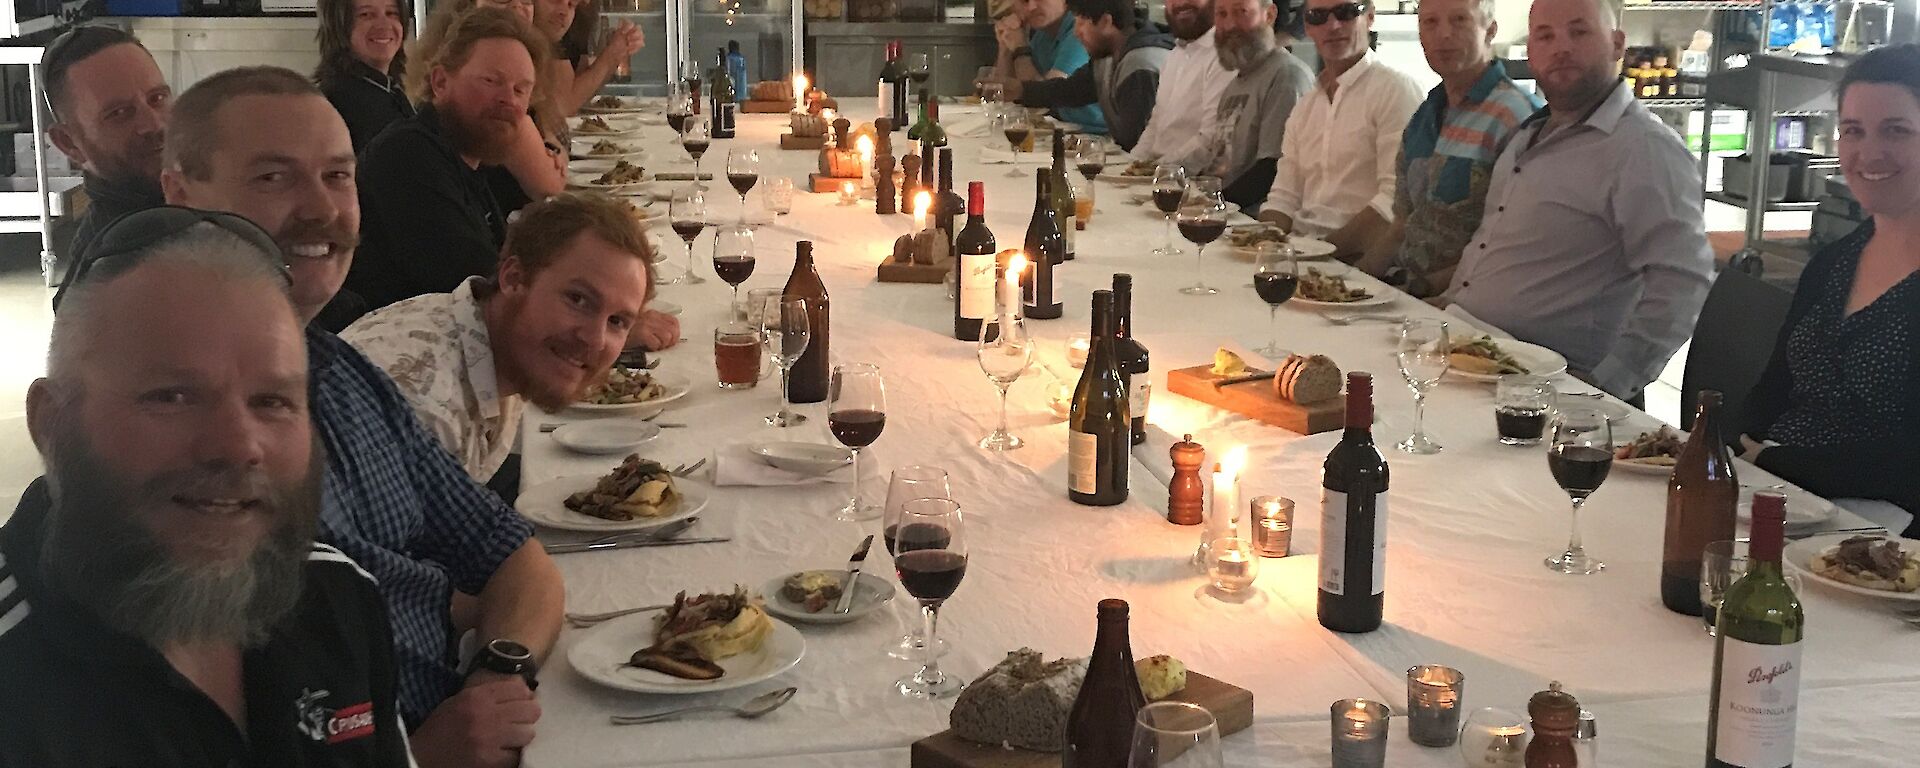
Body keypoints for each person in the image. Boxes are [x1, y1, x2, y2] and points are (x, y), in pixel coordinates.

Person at [160, 66, 562, 768]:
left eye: (338, 176)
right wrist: (415, 755)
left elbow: (518, 563)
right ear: (179, 193)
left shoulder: (345, 376)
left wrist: (499, 669)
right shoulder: (179, 450)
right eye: (274, 178)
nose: (320, 209)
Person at [2, 210, 410, 767]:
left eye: (272, 401)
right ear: (51, 425)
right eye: (171, 396)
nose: (238, 445)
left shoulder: (339, 597)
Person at [1439, 0, 1712, 402]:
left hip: (1549, 385)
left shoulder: (1643, 149)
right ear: (1530, 52)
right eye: (1545, 36)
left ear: (1617, 44)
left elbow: (1682, 282)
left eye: (1579, 32)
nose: (1561, 47)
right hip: (1473, 355)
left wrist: (1609, 384)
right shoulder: (1530, 134)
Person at [341, 192, 655, 484]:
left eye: (617, 321)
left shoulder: (500, 344)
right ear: (514, 279)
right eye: (578, 299)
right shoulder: (429, 411)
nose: (596, 340)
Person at [1740, 44, 1920, 536]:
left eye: (1896, 131)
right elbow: (1772, 389)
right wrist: (1724, 447)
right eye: (1853, 131)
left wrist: (1785, 464)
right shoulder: (1834, 262)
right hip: (1779, 501)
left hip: (1881, 537)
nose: (1869, 152)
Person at [351, 7, 544, 313]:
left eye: (521, 89)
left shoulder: (466, 157)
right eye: (491, 81)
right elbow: (485, 296)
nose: (509, 100)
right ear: (440, 82)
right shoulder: (408, 158)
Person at [1354, 0, 1539, 297]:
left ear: (1489, 30)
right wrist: (1351, 283)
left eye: (1459, 20)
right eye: (1430, 23)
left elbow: (1512, 249)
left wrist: (1418, 291)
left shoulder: (1518, 118)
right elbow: (1401, 226)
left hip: (1463, 307)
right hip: (1403, 292)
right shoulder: (1424, 115)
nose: (1443, 34)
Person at [1259, 0, 1423, 257]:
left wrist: (1323, 255)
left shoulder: (1395, 91)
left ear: (1369, 17)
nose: (1332, 25)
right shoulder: (1306, 106)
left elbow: (1394, 201)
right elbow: (1283, 198)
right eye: (1318, 16)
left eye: (1346, 12)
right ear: (1307, 27)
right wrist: (1261, 247)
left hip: (1358, 263)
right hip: (1300, 254)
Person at [410, 0, 569, 217]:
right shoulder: (419, 157)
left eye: (526, 1)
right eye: (490, 80)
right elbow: (549, 185)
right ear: (440, 81)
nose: (517, 8)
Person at [41, 25, 170, 265]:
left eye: (157, 98)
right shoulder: (112, 266)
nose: (154, 124)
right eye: (119, 113)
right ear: (68, 143)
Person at [1168, 0, 1312, 211]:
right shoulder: (1235, 84)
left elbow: (1273, 169)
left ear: (1269, 15)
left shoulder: (1285, 76)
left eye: (1241, 12)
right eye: (1222, 14)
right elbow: (1218, 161)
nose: (1229, 25)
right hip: (1222, 212)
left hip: (1251, 223)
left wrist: (1210, 207)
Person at [1001, 0, 1173, 152]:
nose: (1076, 32)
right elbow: (1071, 90)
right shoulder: (1108, 55)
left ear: (1106, 22)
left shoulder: (1140, 63)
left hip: (1164, 175)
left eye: (1082, 22)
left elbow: (1137, 143)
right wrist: (1020, 90)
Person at [1129, 0, 1233, 164]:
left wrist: (1155, 171)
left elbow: (1210, 139)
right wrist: (1131, 164)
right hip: (1160, 175)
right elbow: (1155, 125)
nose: (1181, 2)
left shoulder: (1225, 55)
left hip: (1193, 181)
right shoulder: (1175, 54)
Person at [315, 0, 415, 152]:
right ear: (339, 25)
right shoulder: (339, 102)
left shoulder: (388, 90)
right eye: (366, 15)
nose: (384, 25)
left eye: (392, 13)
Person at [994, 0, 1107, 133]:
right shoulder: (1043, 32)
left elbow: (1044, 101)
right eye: (1023, 1)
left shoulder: (1080, 29)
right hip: (1061, 130)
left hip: (1098, 137)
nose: (1031, 7)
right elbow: (1002, 94)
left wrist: (1021, 48)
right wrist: (1005, 48)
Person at [540, 0, 644, 115]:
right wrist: (611, 55)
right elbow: (564, 105)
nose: (563, 11)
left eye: (571, 4)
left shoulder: (581, 16)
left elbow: (582, 93)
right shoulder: (551, 27)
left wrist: (616, 53)